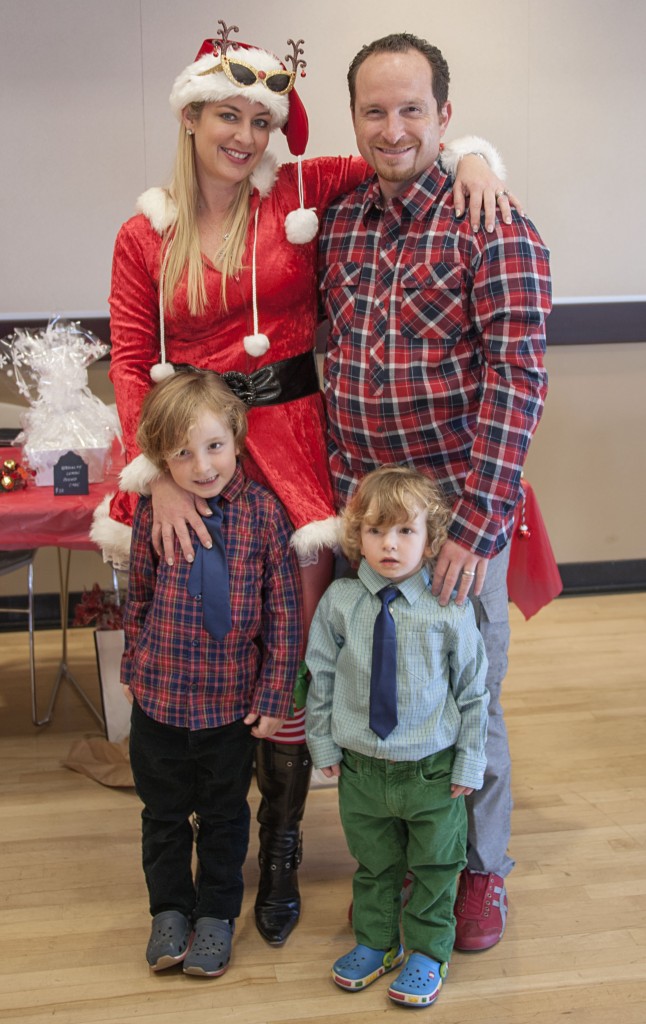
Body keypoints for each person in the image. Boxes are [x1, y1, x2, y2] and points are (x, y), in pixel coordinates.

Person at [91, 18, 520, 945]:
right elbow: (131, 357)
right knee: (200, 643)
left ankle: (282, 842)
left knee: (291, 648)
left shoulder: (301, 187)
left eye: (258, 117)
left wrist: (480, 153)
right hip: (186, 459)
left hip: (292, 452)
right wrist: (153, 473)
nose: (242, 135)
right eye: (224, 116)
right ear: (193, 118)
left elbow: (398, 148)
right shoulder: (144, 233)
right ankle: (197, 844)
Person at [318, 32, 552, 954]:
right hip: (365, 521)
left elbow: (518, 382)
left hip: (457, 523)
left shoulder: (493, 223)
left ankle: (481, 872)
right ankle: (408, 861)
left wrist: (478, 530)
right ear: (355, 121)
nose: (393, 127)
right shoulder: (341, 223)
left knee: (465, 701)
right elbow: (331, 359)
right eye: (375, 110)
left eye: (413, 108)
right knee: (381, 693)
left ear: (446, 117)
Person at [123, 368, 302, 977]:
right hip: (160, 704)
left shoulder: (264, 519)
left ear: (237, 436)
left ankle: (217, 914)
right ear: (160, 460)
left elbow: (284, 615)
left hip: (229, 707)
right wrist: (131, 663)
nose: (202, 466)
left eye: (214, 446)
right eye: (182, 453)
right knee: (164, 815)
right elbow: (139, 597)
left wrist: (277, 692)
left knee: (224, 817)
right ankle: (169, 909)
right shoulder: (157, 515)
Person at [305, 466, 489, 1007]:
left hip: (431, 770)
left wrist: (469, 763)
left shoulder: (449, 608)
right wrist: (322, 743)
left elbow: (474, 693)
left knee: (435, 867)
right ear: (355, 538)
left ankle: (429, 951)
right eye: (376, 531)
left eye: (406, 531)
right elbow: (321, 676)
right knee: (375, 864)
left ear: (431, 539)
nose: (389, 544)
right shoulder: (340, 602)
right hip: (362, 769)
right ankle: (377, 943)